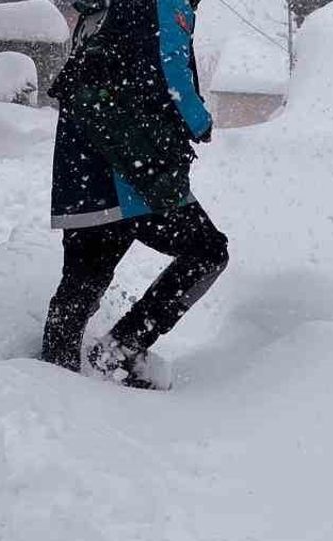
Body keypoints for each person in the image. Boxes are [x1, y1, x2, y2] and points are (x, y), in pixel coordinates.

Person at [40, 0, 226, 389]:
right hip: (129, 166)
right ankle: (121, 349)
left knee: (82, 281)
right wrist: (201, 122)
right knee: (207, 251)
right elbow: (171, 73)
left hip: (80, 170)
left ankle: (49, 381)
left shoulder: (102, 6)